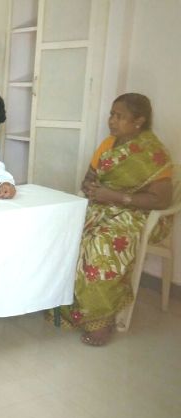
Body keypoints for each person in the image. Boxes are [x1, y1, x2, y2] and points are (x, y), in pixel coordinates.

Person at [56, 93, 173, 346]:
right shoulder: (108, 145)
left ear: (139, 121)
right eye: (112, 114)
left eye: (120, 116)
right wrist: (90, 187)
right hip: (102, 207)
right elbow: (89, 178)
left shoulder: (152, 153)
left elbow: (162, 200)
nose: (112, 120)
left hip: (138, 214)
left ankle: (101, 321)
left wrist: (117, 197)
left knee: (102, 245)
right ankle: (64, 305)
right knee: (67, 234)